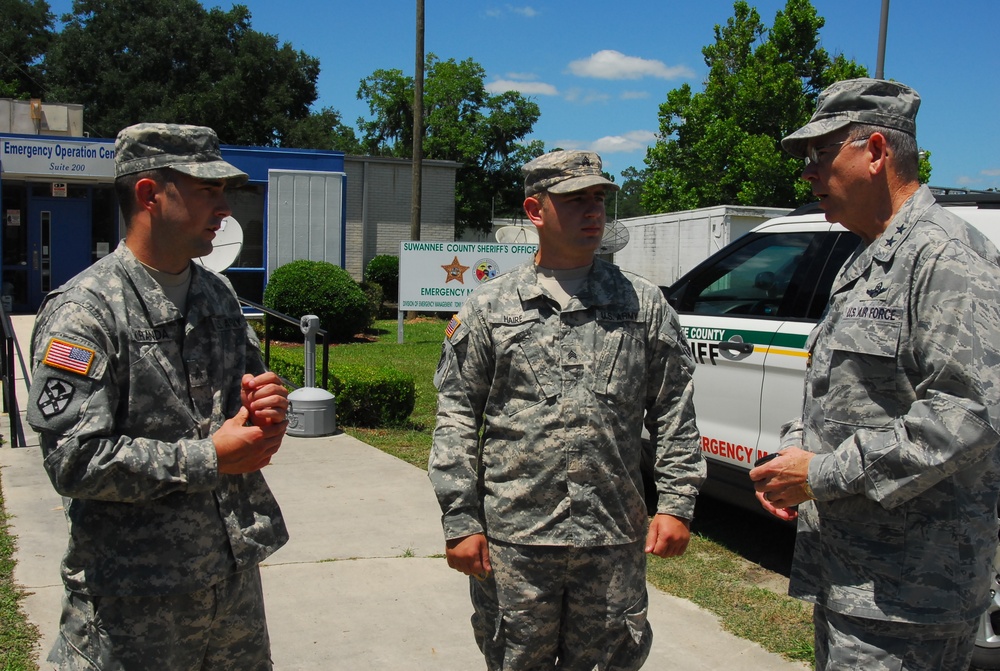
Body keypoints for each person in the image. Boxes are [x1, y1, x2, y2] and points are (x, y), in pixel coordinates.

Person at [749, 78, 1000, 670]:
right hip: (853, 579)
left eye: (820, 153)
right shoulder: (865, 258)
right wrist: (794, 456)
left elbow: (967, 414)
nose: (807, 173)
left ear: (877, 151)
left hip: (912, 594)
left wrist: (825, 473)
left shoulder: (946, 258)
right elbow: (843, 393)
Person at [428, 149, 705, 670]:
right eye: (576, 200)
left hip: (612, 536)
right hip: (516, 539)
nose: (594, 211)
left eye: (599, 198)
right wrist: (460, 518)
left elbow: (673, 409)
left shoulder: (641, 304)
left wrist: (675, 502)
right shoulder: (490, 307)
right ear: (536, 211)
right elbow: (458, 416)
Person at [27, 123, 291, 670]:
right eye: (206, 191)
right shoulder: (85, 312)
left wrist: (267, 408)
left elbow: (245, 400)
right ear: (149, 194)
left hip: (231, 583)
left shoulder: (216, 294)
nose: (224, 209)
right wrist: (209, 456)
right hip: (134, 606)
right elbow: (73, 461)